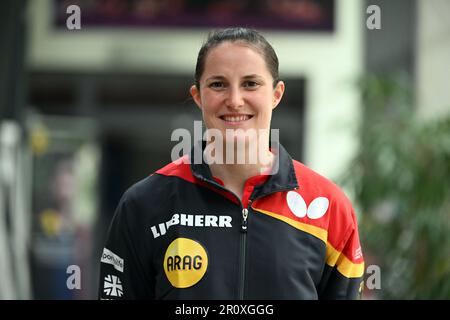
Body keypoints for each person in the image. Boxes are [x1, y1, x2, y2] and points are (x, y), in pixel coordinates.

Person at [98, 27, 365, 300]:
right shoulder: (144, 204)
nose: (235, 101)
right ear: (198, 95)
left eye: (250, 84)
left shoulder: (329, 207)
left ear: (276, 94)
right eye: (218, 84)